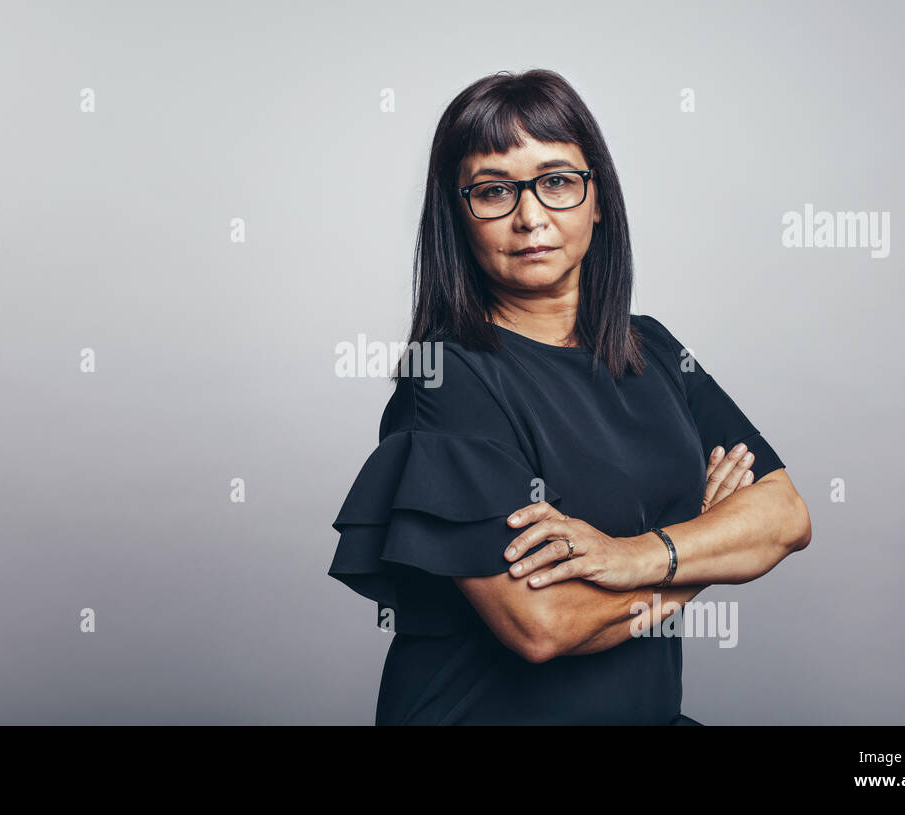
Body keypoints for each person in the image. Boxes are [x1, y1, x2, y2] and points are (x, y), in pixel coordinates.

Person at [328, 69, 812, 725]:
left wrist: (632, 555)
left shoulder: (657, 351)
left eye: (556, 181)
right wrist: (705, 552)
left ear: (597, 198)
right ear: (458, 216)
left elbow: (784, 515)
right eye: (494, 190)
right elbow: (544, 625)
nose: (530, 216)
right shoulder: (446, 377)